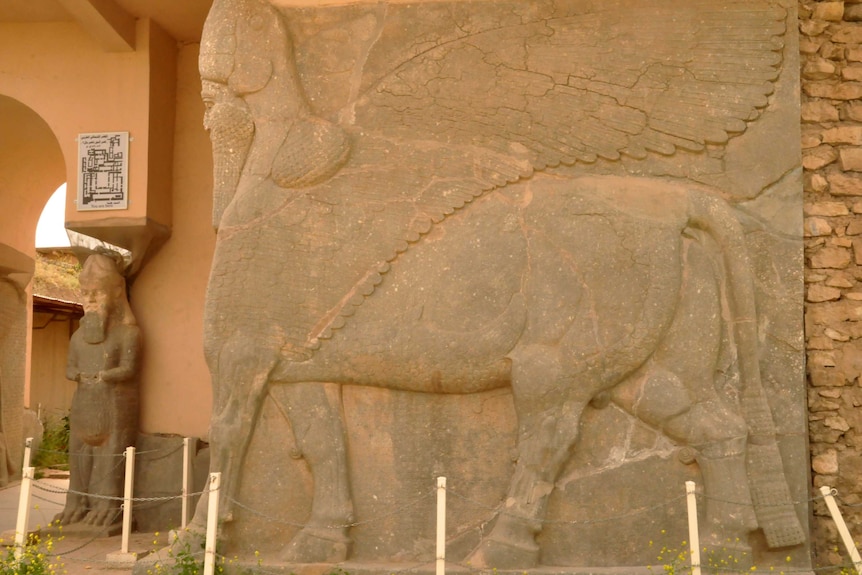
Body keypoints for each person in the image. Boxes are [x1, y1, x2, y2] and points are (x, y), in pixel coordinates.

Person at [55, 253, 140, 527]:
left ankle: (107, 505)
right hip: (83, 406)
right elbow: (69, 368)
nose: (90, 300)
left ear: (116, 293)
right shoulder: (78, 337)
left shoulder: (129, 334)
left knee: (110, 457)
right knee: (78, 460)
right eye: (86, 293)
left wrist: (104, 375)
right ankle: (77, 502)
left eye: (98, 293)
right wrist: (79, 375)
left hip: (114, 407)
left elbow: (129, 369)